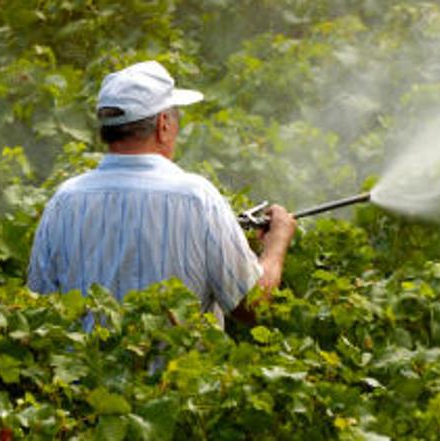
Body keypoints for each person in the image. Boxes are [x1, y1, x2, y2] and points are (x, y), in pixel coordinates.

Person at [27, 60, 296, 329]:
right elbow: (252, 307)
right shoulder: (197, 198)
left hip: (87, 358)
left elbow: (38, 311)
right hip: (181, 359)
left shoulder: (63, 201)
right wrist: (276, 243)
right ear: (163, 124)